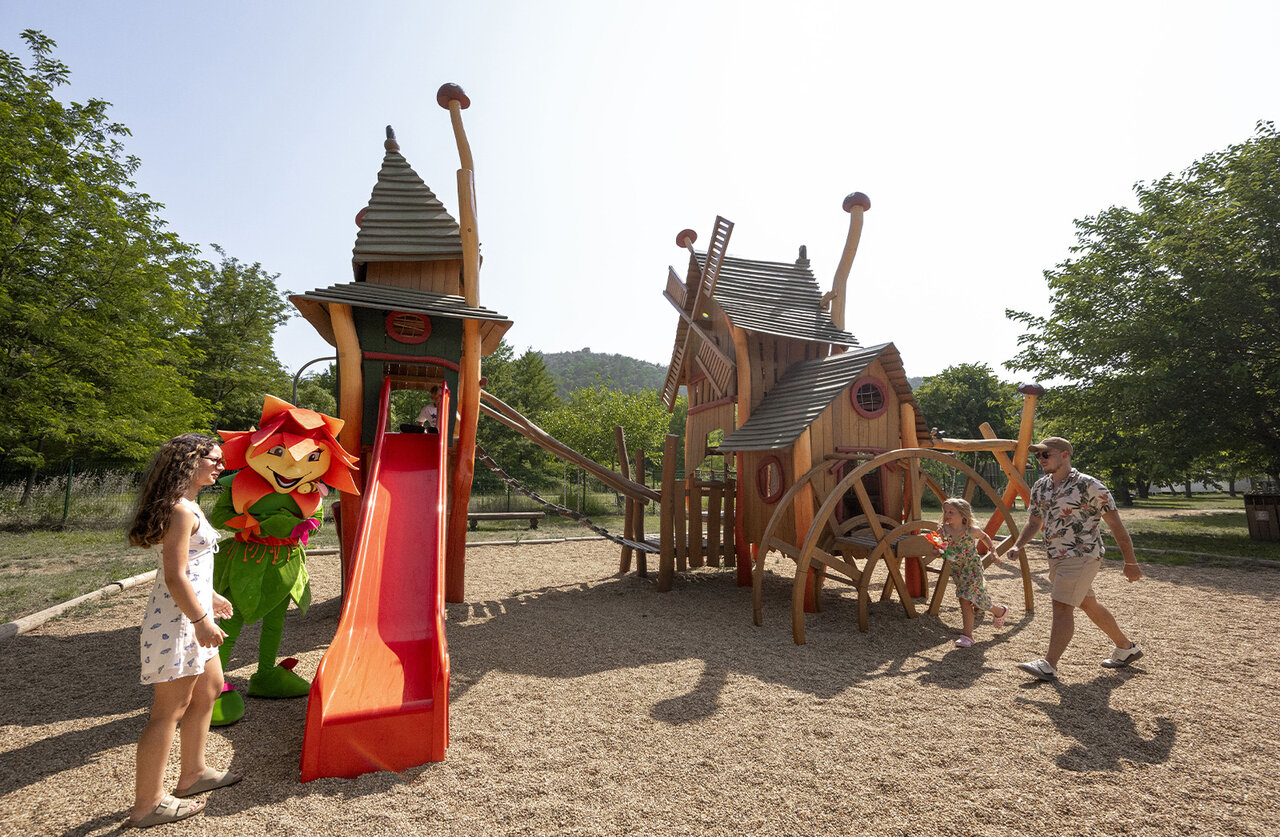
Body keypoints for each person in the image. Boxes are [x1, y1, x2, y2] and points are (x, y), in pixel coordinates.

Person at [126, 434, 243, 827]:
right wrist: (201, 620)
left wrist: (211, 596)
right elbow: (175, 576)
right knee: (168, 711)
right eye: (215, 459)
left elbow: (190, 568)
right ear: (189, 462)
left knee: (209, 689)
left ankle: (193, 773)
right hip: (178, 623)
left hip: (190, 612)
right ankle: (147, 805)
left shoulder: (190, 506)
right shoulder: (180, 510)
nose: (221, 465)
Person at [1007, 437, 1144, 681]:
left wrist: (1130, 562)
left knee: (1061, 605)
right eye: (1038, 456)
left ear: (1065, 455)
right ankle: (1126, 648)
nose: (1040, 459)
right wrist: (1018, 545)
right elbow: (1034, 521)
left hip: (1082, 555)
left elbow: (1116, 526)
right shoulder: (1040, 486)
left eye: (1045, 454)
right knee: (1087, 604)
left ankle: (1049, 664)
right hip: (1056, 557)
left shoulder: (1089, 485)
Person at [931, 497, 1009, 647]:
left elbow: (984, 537)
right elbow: (935, 548)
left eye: (951, 512)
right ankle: (999, 611)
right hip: (958, 572)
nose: (947, 514)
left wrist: (993, 551)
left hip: (973, 569)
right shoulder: (942, 531)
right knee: (978, 599)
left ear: (962, 514)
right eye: (945, 511)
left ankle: (967, 636)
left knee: (965, 600)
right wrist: (938, 550)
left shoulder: (971, 531)